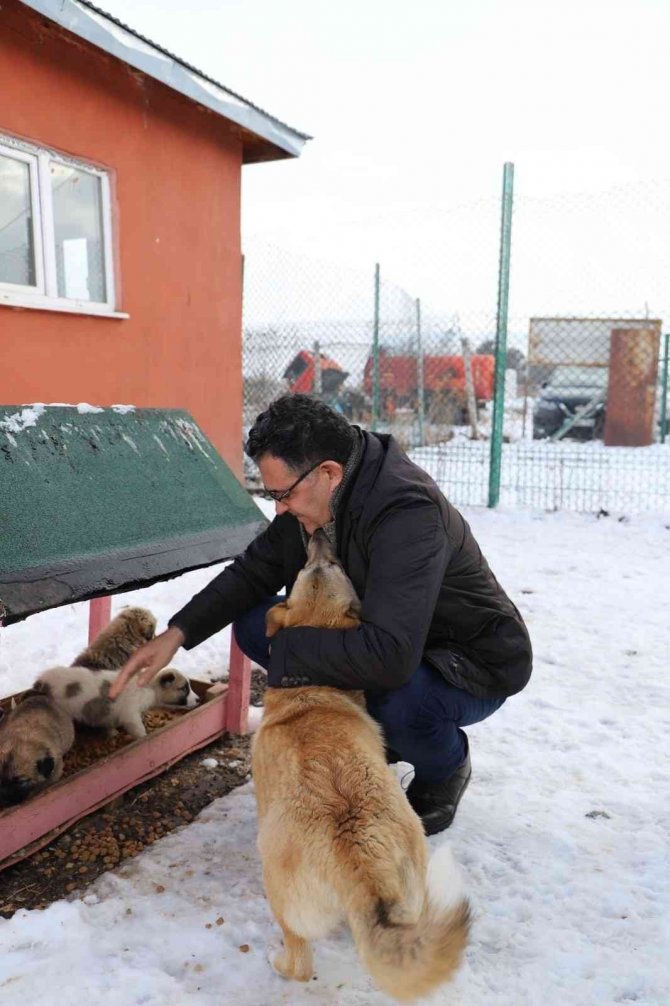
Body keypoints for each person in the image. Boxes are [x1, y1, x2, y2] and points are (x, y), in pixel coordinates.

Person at [110, 394, 532, 835]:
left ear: (328, 473)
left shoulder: (408, 512)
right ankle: (370, 733)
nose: (279, 508)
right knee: (255, 621)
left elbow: (390, 656)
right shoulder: (321, 492)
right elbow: (255, 571)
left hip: (467, 660)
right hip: (390, 637)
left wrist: (287, 645)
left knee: (399, 701)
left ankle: (446, 765)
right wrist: (176, 635)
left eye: (282, 494)